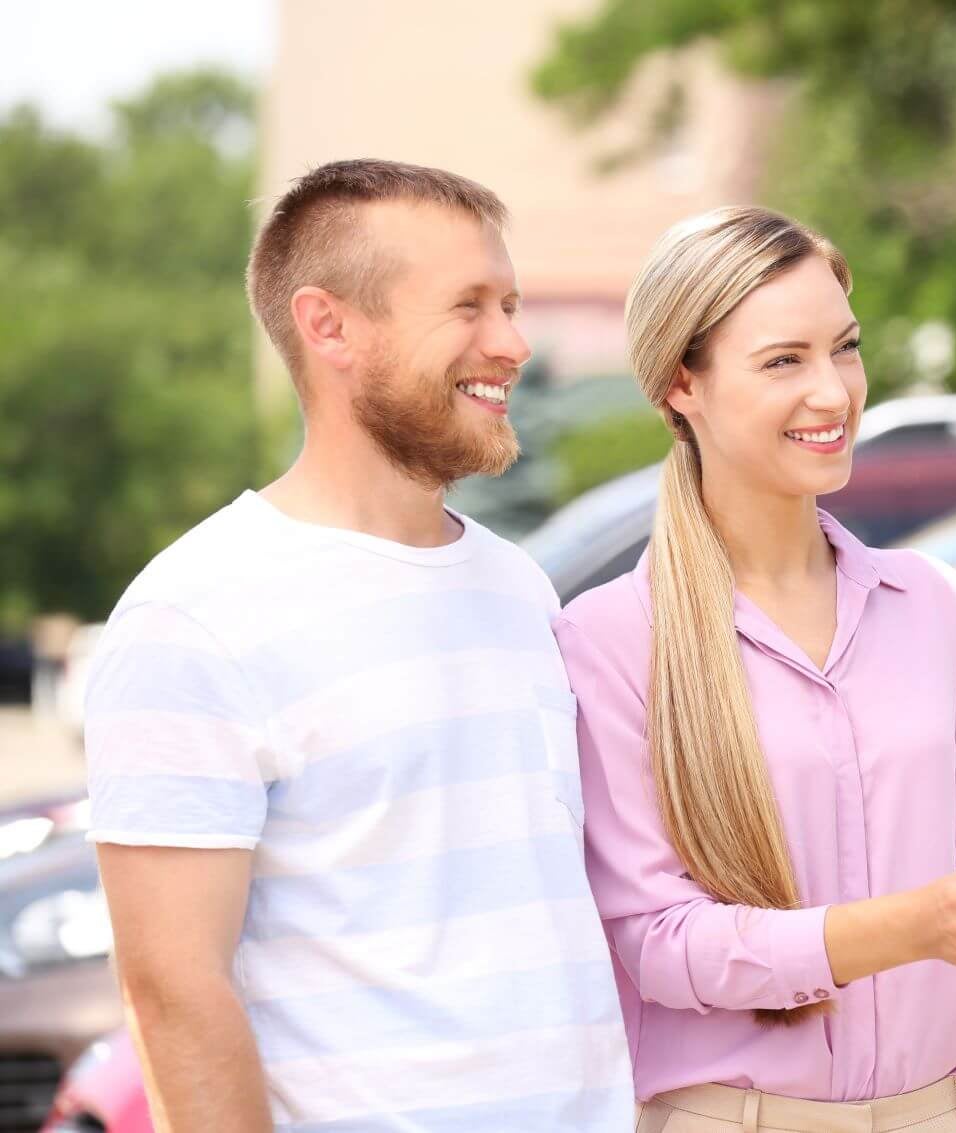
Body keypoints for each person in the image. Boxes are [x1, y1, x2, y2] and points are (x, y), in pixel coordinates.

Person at [83, 159, 632, 1132]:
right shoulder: (193, 616)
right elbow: (174, 991)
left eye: (509, 303)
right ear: (328, 325)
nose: (512, 342)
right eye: (468, 306)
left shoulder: (516, 584)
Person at [555, 207, 956, 1133]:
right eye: (783, 360)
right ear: (683, 384)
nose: (833, 393)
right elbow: (660, 947)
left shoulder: (931, 606)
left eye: (846, 348)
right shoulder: (610, 638)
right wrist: (912, 926)